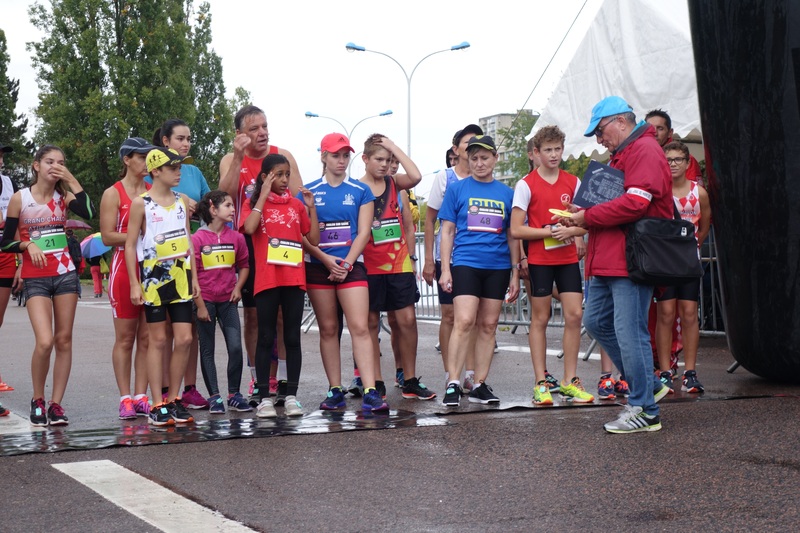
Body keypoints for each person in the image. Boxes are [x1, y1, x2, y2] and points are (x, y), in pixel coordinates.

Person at [564, 96, 671, 433]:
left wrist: (586, 216)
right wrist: (582, 222)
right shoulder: (628, 152)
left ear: (621, 122)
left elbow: (636, 203)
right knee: (597, 322)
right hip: (611, 257)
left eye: (600, 130)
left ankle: (644, 408)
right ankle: (647, 385)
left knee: (629, 332)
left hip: (629, 259)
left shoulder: (644, 150)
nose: (598, 138)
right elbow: (626, 204)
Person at [0, 144, 95, 426]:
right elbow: (5, 242)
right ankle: (38, 399)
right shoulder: (21, 198)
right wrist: (27, 244)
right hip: (35, 277)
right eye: (50, 161)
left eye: (61, 162)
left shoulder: (64, 197)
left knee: (63, 340)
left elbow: (88, 210)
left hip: (65, 274)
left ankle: (56, 404)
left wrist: (71, 179)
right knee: (45, 341)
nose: (56, 166)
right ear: (36, 165)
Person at [218, 105, 303, 401]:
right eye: (254, 129)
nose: (262, 133)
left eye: (264, 126)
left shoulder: (283, 156)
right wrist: (239, 158)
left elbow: (298, 200)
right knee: (254, 318)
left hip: (282, 247)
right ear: (240, 134)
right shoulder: (231, 159)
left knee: (282, 318)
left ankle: (279, 380)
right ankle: (257, 380)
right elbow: (224, 197)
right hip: (249, 246)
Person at [303, 133, 388, 412]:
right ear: (323, 156)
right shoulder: (308, 191)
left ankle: (371, 390)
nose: (341, 161)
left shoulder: (359, 190)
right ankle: (335, 389)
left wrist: (347, 264)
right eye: (335, 155)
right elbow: (303, 234)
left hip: (351, 267)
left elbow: (364, 232)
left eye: (345, 155)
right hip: (318, 267)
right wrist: (325, 260)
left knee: (360, 327)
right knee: (328, 329)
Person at [510, 126, 593, 405]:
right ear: (536, 153)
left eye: (558, 148)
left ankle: (570, 380)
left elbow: (586, 225)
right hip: (540, 261)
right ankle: (540, 383)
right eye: (548, 149)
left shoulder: (574, 181)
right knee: (541, 319)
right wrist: (549, 232)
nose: (554, 154)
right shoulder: (526, 184)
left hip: (567, 259)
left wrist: (571, 231)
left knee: (574, 316)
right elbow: (516, 230)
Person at [438, 135, 519, 406]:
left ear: (495, 158)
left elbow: (512, 236)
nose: (479, 163)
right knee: (464, 321)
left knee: (489, 325)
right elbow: (447, 231)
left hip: (497, 266)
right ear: (467, 160)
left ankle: (480, 384)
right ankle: (453, 382)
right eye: (474, 158)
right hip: (465, 263)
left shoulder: (507, 194)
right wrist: (445, 269)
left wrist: (516, 273)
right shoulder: (457, 189)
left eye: (484, 157)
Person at [125, 147, 199, 426]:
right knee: (157, 340)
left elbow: (188, 239)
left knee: (185, 339)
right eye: (173, 168)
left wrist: (194, 278)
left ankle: (174, 399)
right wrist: (135, 283)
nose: (179, 172)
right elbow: (131, 244)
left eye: (180, 167)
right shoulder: (140, 203)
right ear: (156, 171)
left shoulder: (182, 201)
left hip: (180, 274)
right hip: (154, 276)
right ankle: (157, 403)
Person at [358, 134, 435, 401]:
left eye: (388, 160)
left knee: (407, 320)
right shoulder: (357, 189)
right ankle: (375, 381)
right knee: (370, 324)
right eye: (379, 159)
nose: (384, 164)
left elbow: (415, 176)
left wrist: (393, 148)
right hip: (368, 265)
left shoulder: (395, 184)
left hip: (398, 263)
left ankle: (410, 379)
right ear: (365, 159)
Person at [241, 154, 319, 417]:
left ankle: (292, 396)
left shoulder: (296, 206)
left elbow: (314, 239)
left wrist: (311, 207)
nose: (285, 180)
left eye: (287, 174)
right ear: (265, 177)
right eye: (279, 175)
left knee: (292, 337)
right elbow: (249, 228)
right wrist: (262, 196)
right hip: (267, 280)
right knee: (265, 336)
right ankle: (264, 397)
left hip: (294, 280)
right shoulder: (253, 205)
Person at [150, 118, 210, 410]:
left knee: (189, 331)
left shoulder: (194, 172)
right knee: (162, 332)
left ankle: (188, 387)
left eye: (188, 139)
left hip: (191, 256)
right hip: (158, 265)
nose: (186, 144)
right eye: (180, 139)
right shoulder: (154, 172)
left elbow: (209, 207)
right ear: (165, 141)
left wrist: (197, 207)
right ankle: (162, 391)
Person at [423, 124, 483, 392]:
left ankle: (470, 373)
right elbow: (430, 218)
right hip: (447, 258)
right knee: (450, 317)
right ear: (455, 149)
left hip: (476, 258)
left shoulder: (485, 179)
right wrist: (428, 259)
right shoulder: (445, 178)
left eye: (478, 143)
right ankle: (451, 373)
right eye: (467, 143)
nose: (472, 148)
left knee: (472, 318)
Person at [100, 137, 154, 420]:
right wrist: (140, 236)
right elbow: (108, 236)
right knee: (125, 338)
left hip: (151, 269)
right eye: (141, 156)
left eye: (149, 156)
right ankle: (125, 398)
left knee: (146, 337)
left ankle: (141, 394)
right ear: (126, 160)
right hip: (124, 268)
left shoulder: (152, 191)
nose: (147, 161)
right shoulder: (113, 193)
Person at [654, 141, 711, 394]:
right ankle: (665, 371)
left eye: (678, 159)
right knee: (665, 314)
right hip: (664, 263)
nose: (673, 164)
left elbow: (705, 225)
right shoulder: (659, 192)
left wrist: (692, 249)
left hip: (689, 262)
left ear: (688, 163)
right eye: (668, 160)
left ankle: (690, 372)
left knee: (689, 314)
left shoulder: (699, 193)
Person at [192, 190, 251, 414]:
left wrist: (238, 287)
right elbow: (193, 274)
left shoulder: (236, 237)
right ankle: (215, 396)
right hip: (205, 300)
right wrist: (198, 305)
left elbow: (244, 265)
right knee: (207, 349)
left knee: (235, 347)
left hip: (228, 301)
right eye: (227, 205)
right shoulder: (196, 239)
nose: (233, 209)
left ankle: (234, 394)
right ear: (213, 209)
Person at [0, 141, 21, 394]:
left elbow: (20, 225)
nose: (1, 158)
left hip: (6, 255)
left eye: (2, 154)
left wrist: (22, 263)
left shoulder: (10, 184)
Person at [645, 109, 701, 181]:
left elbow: (695, 190)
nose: (654, 133)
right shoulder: (637, 156)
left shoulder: (684, 158)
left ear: (670, 133)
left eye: (660, 128)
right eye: (650, 128)